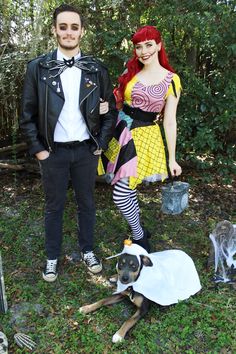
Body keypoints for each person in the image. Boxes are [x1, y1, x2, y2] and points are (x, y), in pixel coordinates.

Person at [20, 4, 117, 282]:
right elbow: (27, 115)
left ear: (82, 31)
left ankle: (87, 249)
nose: (69, 32)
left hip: (86, 150)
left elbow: (109, 111)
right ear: (54, 30)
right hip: (53, 152)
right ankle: (52, 257)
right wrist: (38, 150)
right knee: (54, 206)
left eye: (74, 27)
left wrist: (100, 143)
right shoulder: (38, 68)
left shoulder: (96, 69)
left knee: (87, 203)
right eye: (63, 26)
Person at [101, 25, 182, 252]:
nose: (143, 51)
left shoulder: (171, 80)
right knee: (127, 188)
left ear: (159, 44)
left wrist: (172, 159)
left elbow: (169, 121)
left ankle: (139, 236)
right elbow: (119, 100)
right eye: (138, 46)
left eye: (148, 45)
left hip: (144, 137)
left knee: (120, 193)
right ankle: (140, 231)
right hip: (121, 130)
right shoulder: (133, 72)